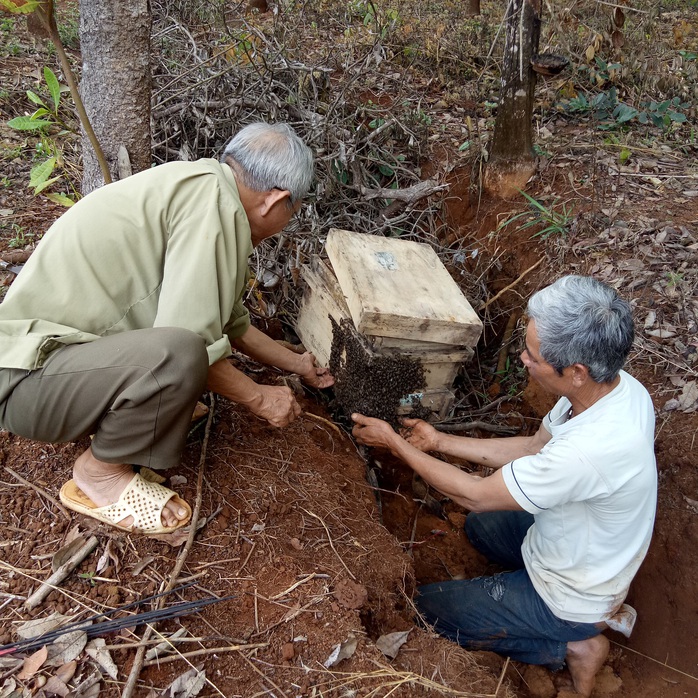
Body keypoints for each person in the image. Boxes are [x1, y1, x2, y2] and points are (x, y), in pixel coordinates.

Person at [0, 122, 333, 536]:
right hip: (27, 383)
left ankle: (134, 416)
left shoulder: (203, 189)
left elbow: (231, 323)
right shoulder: (214, 209)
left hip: (51, 370)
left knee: (183, 362)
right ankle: (99, 473)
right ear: (276, 201)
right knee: (181, 354)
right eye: (293, 211)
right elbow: (188, 343)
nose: (288, 219)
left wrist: (297, 364)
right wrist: (260, 399)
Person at [351, 275, 656, 697]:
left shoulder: (588, 452)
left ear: (577, 371)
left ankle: (573, 643)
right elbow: (533, 447)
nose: (523, 359)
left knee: (429, 609)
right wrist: (438, 441)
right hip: (576, 545)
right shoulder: (618, 391)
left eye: (532, 355)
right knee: (481, 530)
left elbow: (471, 495)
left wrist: (393, 442)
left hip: (572, 595)